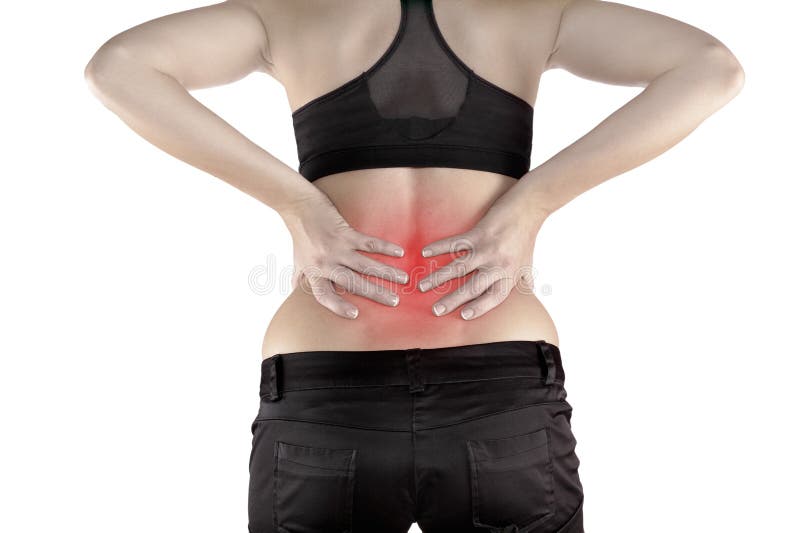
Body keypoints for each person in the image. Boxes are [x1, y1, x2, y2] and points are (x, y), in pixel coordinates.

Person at [85, 0, 744, 531]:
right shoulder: (529, 11)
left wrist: (295, 202)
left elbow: (119, 66)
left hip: (325, 393)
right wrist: (534, 200)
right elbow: (711, 66)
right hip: (500, 387)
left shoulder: (290, 12)